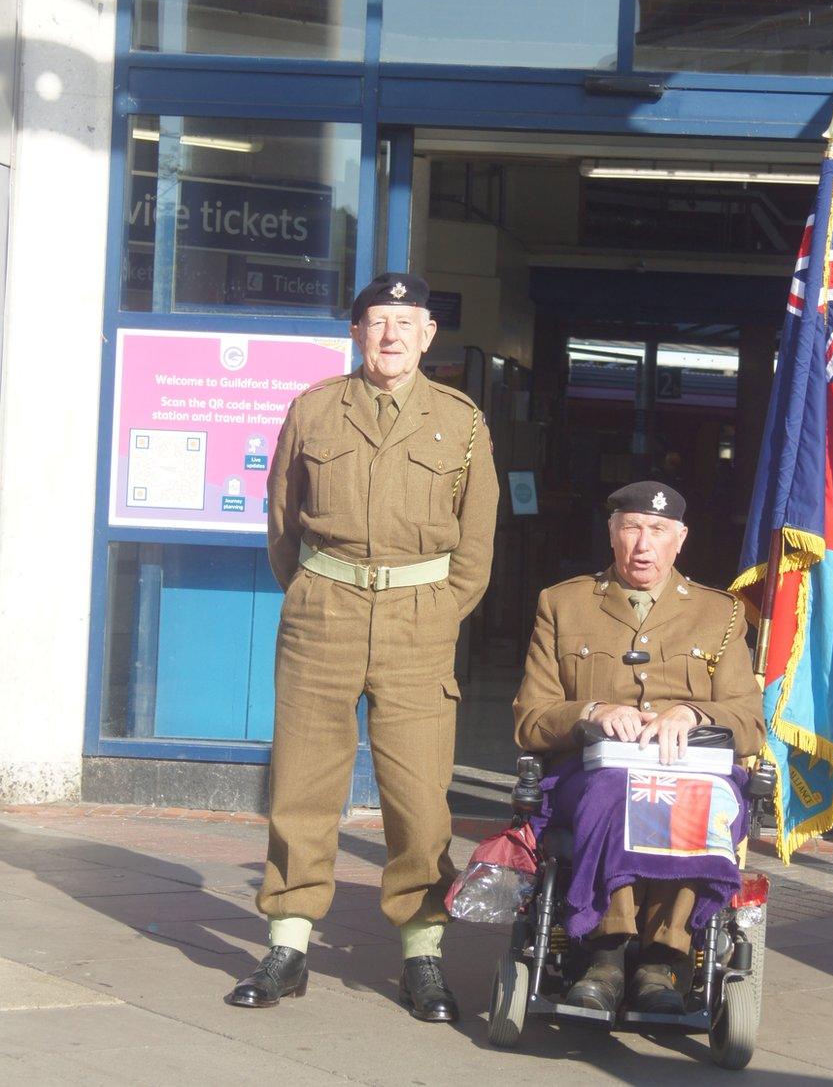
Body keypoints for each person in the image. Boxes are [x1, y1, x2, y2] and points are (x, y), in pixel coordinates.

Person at [229, 272, 499, 1021]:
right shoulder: (314, 409)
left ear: (428, 335)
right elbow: (283, 523)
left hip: (420, 617)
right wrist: (318, 589)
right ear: (356, 333)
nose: (391, 335)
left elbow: (477, 538)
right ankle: (288, 943)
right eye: (378, 321)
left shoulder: (463, 420)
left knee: (418, 796)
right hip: (324, 611)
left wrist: (441, 609)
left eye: (406, 322)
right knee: (303, 786)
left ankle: (422, 954)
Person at [513, 480, 763, 1016]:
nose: (642, 545)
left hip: (691, 766)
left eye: (657, 531)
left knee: (693, 796)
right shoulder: (563, 604)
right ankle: (606, 953)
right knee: (616, 788)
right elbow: (531, 719)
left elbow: (749, 722)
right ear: (612, 534)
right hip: (592, 769)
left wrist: (696, 714)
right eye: (631, 529)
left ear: (680, 540)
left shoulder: (721, 614)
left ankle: (663, 959)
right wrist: (593, 713)